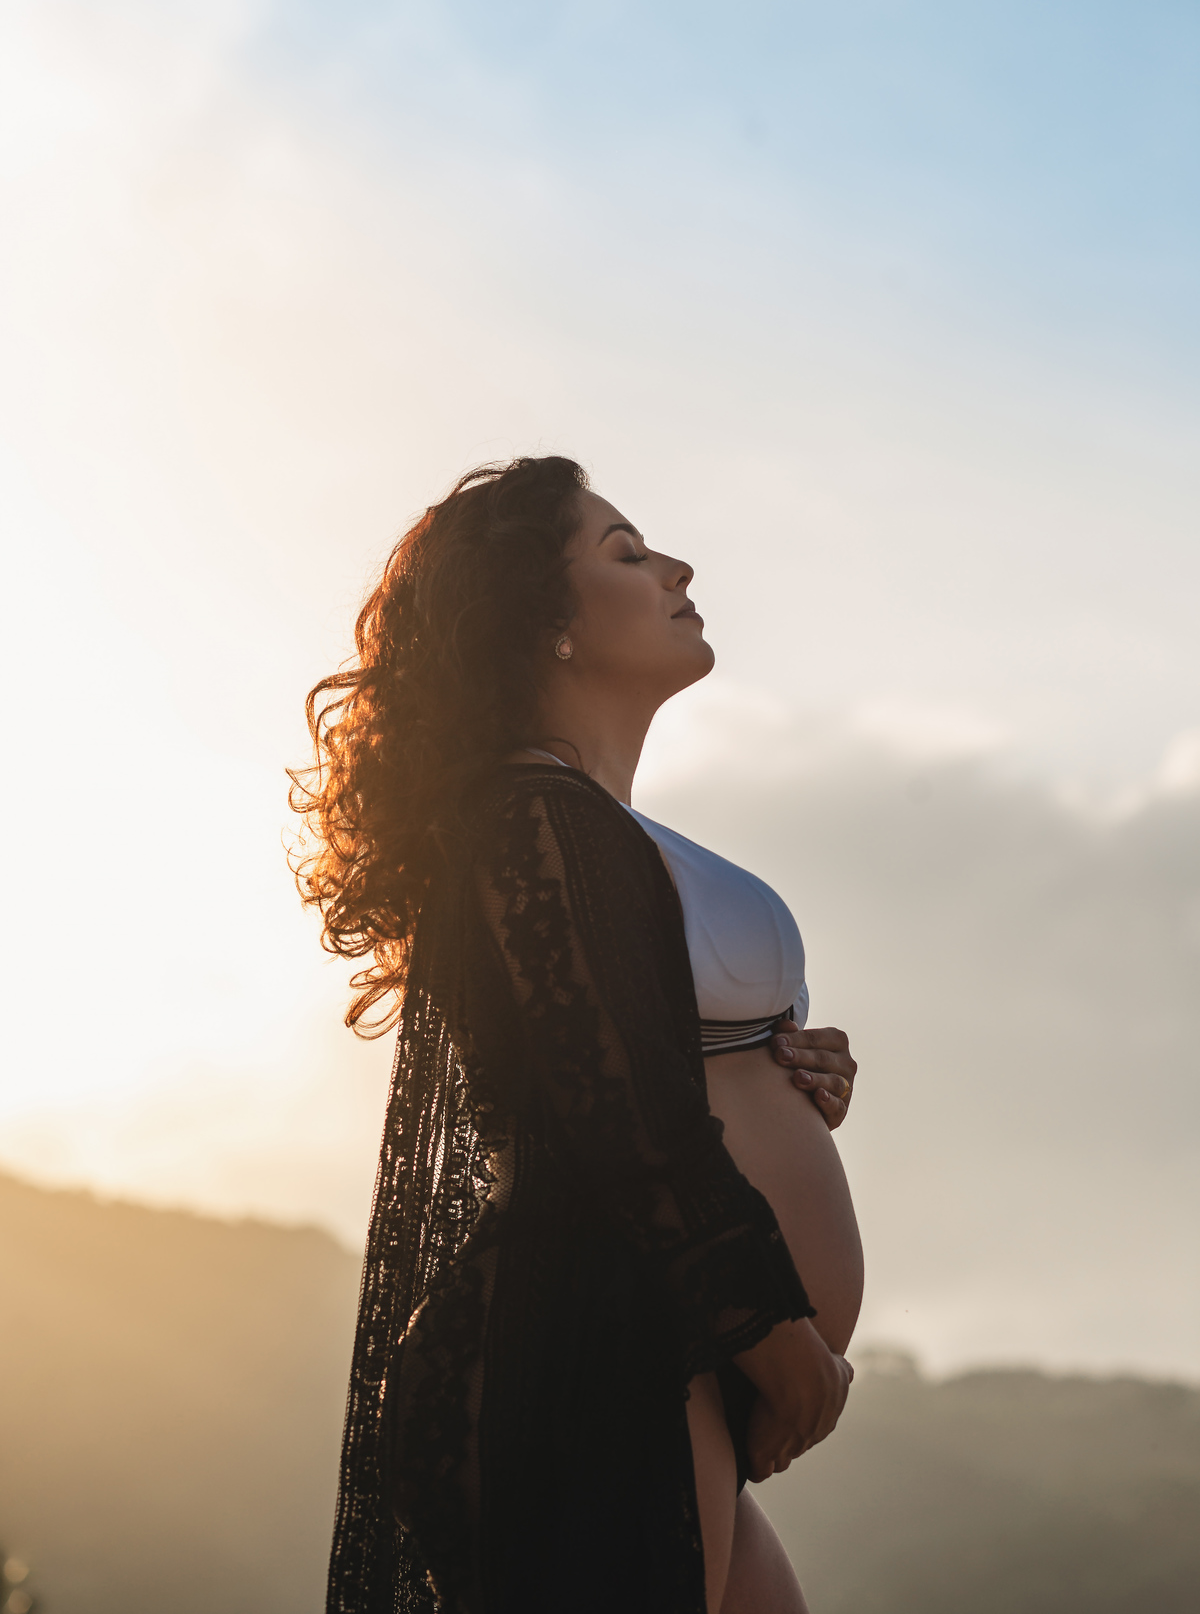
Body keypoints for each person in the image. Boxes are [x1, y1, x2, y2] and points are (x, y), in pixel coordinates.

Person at [292, 456, 861, 1614]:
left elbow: (642, 1059)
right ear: (545, 621)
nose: (676, 567)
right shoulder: (531, 819)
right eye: (626, 552)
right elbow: (625, 1122)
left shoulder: (592, 826)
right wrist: (777, 1336)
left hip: (656, 1360)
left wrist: (788, 1069)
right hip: (588, 1359)